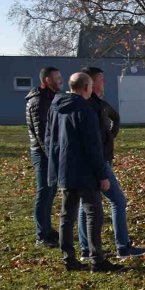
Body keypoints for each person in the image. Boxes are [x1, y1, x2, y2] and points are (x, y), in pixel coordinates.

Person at [45, 72, 122, 273]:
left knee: (66, 216)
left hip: (65, 169)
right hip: (85, 171)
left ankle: (68, 258)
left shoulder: (56, 107)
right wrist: (101, 174)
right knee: (93, 214)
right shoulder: (84, 110)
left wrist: (56, 166)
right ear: (86, 87)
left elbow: (49, 139)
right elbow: (92, 146)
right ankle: (97, 259)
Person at [78, 67, 145, 260]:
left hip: (92, 162)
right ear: (90, 83)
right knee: (117, 201)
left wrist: (111, 135)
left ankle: (86, 249)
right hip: (97, 163)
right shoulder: (89, 107)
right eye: (101, 79)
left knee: (87, 205)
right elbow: (93, 141)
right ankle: (122, 247)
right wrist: (101, 169)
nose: (104, 82)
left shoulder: (94, 104)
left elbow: (112, 121)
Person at [26, 66, 63, 248]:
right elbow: (42, 134)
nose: (61, 80)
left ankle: (47, 230)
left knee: (50, 192)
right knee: (44, 191)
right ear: (47, 80)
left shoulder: (50, 97)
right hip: (42, 153)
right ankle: (42, 235)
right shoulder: (39, 101)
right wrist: (51, 157)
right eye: (57, 78)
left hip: (50, 152)